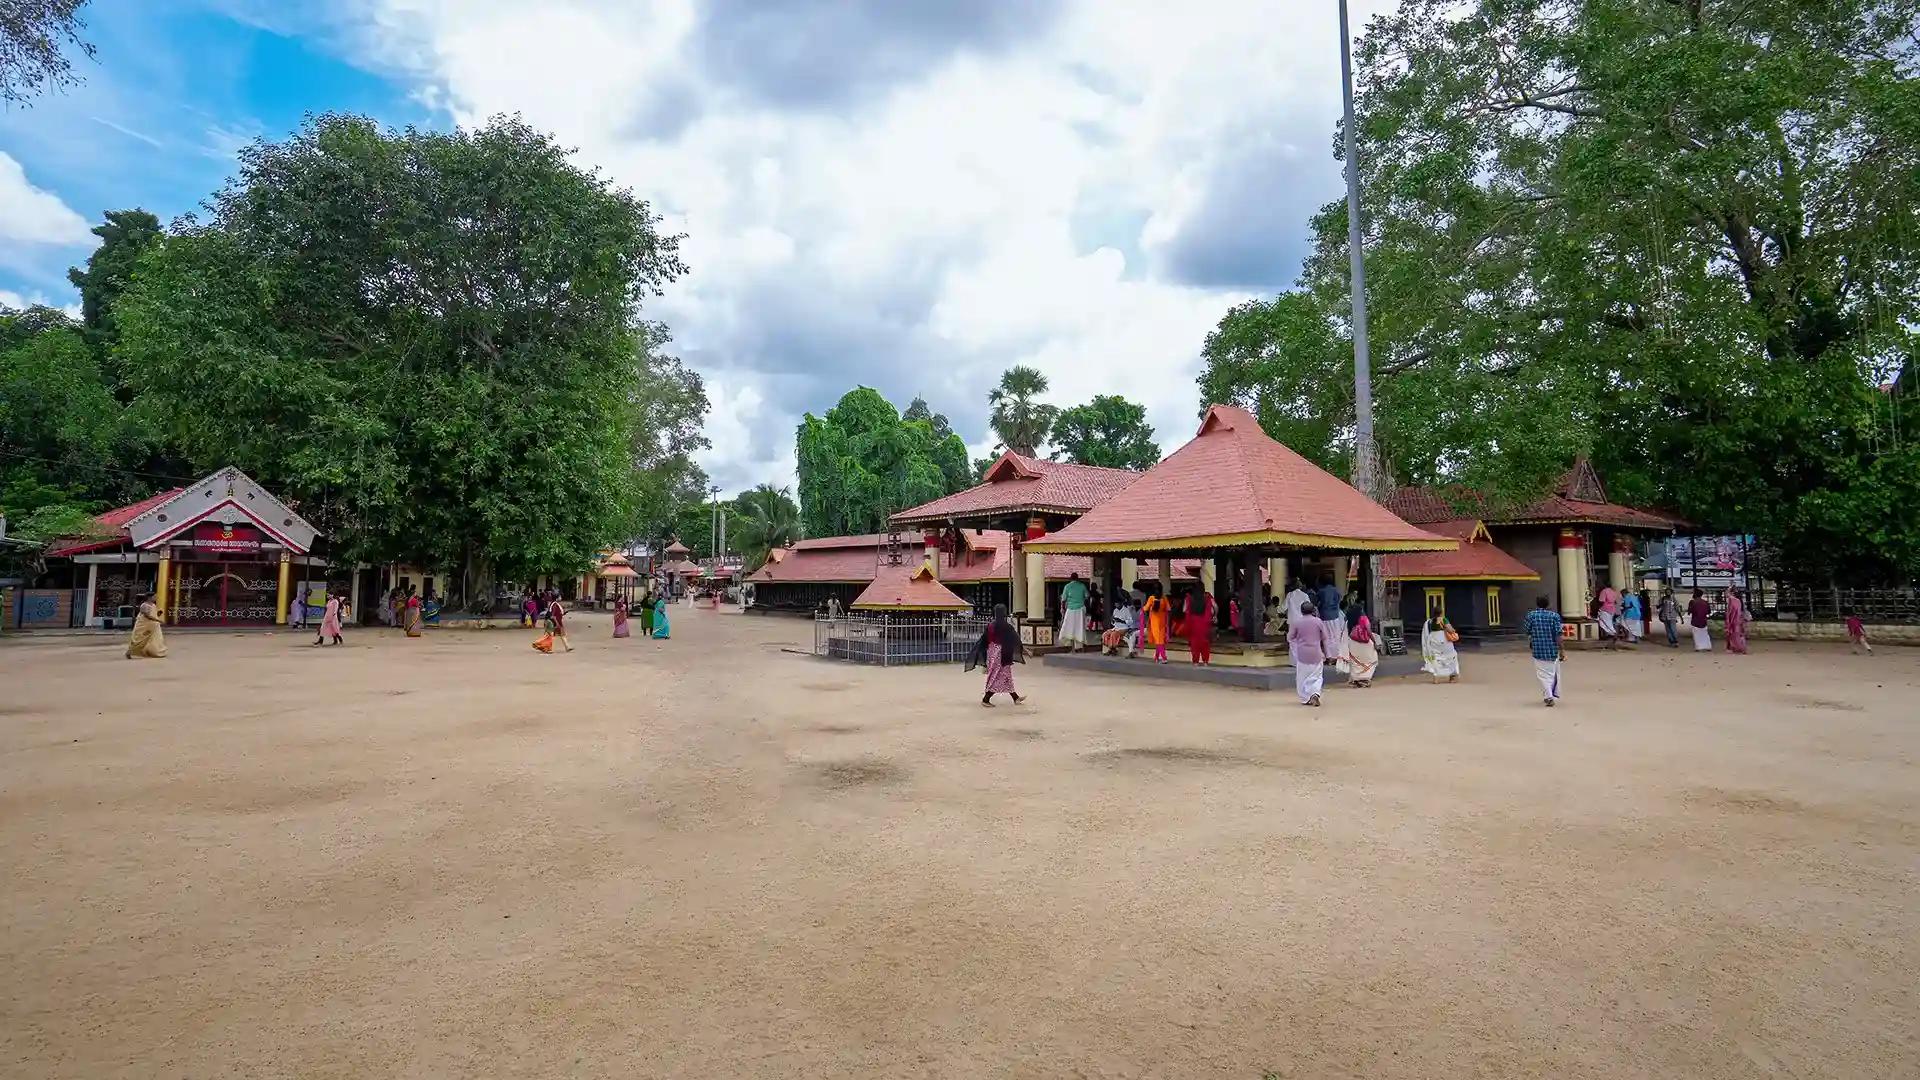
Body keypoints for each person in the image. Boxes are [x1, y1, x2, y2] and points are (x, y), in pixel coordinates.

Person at [966, 603, 1026, 706]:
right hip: (1001, 654)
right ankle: (986, 699)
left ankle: (1015, 698)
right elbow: (1015, 639)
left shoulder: (990, 625)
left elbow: (984, 640)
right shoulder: (1006, 626)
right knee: (997, 676)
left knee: (1005, 676)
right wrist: (1023, 649)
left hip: (992, 652)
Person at [1287, 600, 1334, 706]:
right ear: (1313, 610)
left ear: (1301, 611)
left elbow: (1290, 637)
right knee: (1317, 676)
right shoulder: (1318, 622)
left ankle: (1305, 698)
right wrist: (1328, 654)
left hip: (1302, 654)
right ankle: (1315, 693)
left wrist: (1297, 644)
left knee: (1302, 678)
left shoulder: (1297, 622)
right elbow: (1325, 639)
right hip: (1316, 654)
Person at [1523, 596, 1564, 706]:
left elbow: (1527, 631)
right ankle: (1548, 695)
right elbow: (1559, 635)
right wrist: (1562, 650)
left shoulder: (1531, 616)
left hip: (1538, 649)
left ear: (1537, 604)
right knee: (1551, 674)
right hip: (1552, 650)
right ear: (1548, 604)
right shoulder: (1554, 616)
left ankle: (1549, 696)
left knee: (1542, 674)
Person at [125, 593, 167, 659]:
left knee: (151, 639)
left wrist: (159, 613)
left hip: (152, 625)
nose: (155, 598)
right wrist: (158, 620)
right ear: (149, 597)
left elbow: (154, 615)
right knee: (140, 639)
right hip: (143, 625)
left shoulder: (153, 605)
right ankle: (129, 652)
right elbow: (148, 616)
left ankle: (152, 652)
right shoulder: (144, 605)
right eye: (154, 597)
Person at [1421, 615, 1460, 682]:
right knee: (1451, 657)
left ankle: (1436, 678)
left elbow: (1426, 633)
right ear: (1441, 613)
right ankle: (1452, 677)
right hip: (1444, 642)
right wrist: (1453, 630)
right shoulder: (1443, 620)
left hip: (1433, 642)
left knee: (1436, 659)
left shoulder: (1429, 622)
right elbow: (1450, 629)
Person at [1345, 612, 1380, 687]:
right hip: (1365, 643)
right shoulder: (1364, 618)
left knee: (1355, 661)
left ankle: (1355, 679)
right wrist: (1374, 642)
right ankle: (1364, 679)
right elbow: (1368, 631)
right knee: (1372, 659)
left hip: (1352, 642)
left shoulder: (1349, 619)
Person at [1185, 587, 1215, 666]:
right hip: (1204, 623)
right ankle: (1205, 661)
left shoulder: (1190, 599)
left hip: (1193, 622)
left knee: (1195, 644)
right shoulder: (1207, 599)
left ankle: (1196, 661)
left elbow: (1186, 611)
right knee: (1205, 643)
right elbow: (1212, 609)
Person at [1060, 572, 1089, 652]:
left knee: (1068, 626)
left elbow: (1063, 599)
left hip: (1070, 609)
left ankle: (1068, 644)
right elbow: (1087, 596)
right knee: (1079, 627)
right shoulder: (1082, 586)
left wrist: (1062, 608)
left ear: (1070, 578)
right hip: (1080, 609)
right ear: (1077, 578)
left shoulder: (1067, 586)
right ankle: (1078, 646)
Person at [1141, 588, 1172, 664]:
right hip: (1162, 622)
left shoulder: (1151, 598)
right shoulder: (1164, 598)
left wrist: (1141, 608)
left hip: (1154, 623)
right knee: (1160, 640)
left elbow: (1146, 608)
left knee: (1159, 641)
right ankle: (1157, 657)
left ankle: (1164, 658)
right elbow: (1168, 609)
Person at [1725, 588, 1749, 654]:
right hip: (1740, 619)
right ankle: (1742, 648)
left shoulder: (1734, 600)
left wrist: (1730, 588)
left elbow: (1731, 611)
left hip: (1735, 619)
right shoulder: (1739, 600)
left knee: (1735, 634)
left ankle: (1738, 648)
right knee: (1740, 634)